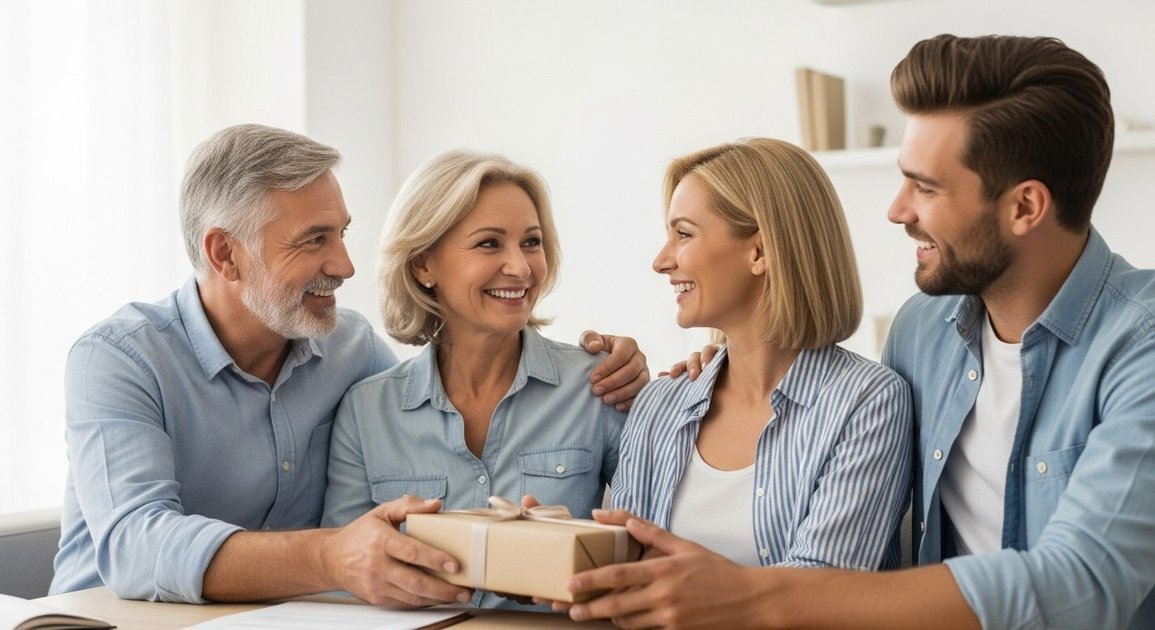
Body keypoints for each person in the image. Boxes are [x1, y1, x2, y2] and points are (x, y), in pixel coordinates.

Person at [562, 35, 1155, 630]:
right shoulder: (924, 334)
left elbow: (1083, 580)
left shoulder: (1141, 343)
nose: (897, 211)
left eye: (926, 187)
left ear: (1025, 207)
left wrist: (754, 597)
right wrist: (717, 363)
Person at [50, 124, 650, 607]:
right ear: (225, 254)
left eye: (342, 234)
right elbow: (133, 547)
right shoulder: (119, 358)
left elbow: (423, 416)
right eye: (314, 240)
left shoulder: (349, 349)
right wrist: (332, 556)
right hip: (112, 619)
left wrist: (637, 374)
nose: (345, 265)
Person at [322, 149, 628, 609]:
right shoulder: (366, 412)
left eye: (531, 242)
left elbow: (646, 549)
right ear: (424, 265)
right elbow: (347, 579)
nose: (521, 268)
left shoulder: (600, 385)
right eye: (489, 244)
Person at [607, 138, 910, 574]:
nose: (660, 261)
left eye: (684, 234)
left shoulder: (866, 402)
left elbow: (826, 592)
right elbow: (624, 571)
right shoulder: (660, 404)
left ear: (760, 252)